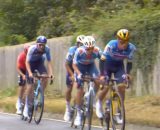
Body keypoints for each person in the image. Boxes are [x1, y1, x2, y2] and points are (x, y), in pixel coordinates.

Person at [96, 29, 136, 122]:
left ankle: (118, 110)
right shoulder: (111, 45)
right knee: (106, 86)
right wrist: (102, 74)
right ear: (118, 39)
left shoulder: (131, 48)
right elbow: (102, 60)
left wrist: (128, 74)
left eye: (126, 42)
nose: (124, 44)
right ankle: (98, 103)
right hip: (107, 66)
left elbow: (129, 62)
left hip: (119, 67)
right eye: (121, 42)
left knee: (122, 87)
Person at [72, 36, 102, 126]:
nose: (90, 51)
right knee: (80, 89)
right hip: (79, 68)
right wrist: (79, 74)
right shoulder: (79, 51)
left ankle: (92, 96)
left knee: (98, 80)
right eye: (88, 49)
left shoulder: (97, 50)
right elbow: (74, 65)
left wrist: (103, 73)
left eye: (91, 48)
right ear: (84, 47)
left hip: (90, 66)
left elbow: (104, 60)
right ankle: (78, 113)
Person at [23, 35, 54, 118]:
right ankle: (26, 106)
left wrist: (51, 73)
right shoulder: (32, 49)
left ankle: (40, 94)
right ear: (37, 44)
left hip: (39, 63)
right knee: (30, 86)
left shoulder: (47, 49)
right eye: (39, 44)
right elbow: (27, 62)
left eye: (43, 45)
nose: (41, 46)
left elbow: (49, 62)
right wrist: (29, 73)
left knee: (45, 77)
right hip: (31, 64)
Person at [63, 35, 86, 122]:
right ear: (77, 44)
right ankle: (68, 108)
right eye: (81, 44)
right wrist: (72, 75)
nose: (82, 46)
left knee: (81, 91)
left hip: (80, 68)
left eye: (84, 44)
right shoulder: (72, 50)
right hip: (71, 69)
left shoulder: (86, 50)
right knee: (69, 88)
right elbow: (66, 64)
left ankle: (76, 104)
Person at [16, 44, 30, 114]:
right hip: (22, 70)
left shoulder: (31, 55)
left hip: (28, 69)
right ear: (24, 51)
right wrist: (23, 75)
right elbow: (18, 69)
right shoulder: (21, 56)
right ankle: (18, 102)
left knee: (29, 85)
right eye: (26, 52)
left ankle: (27, 102)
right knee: (22, 86)